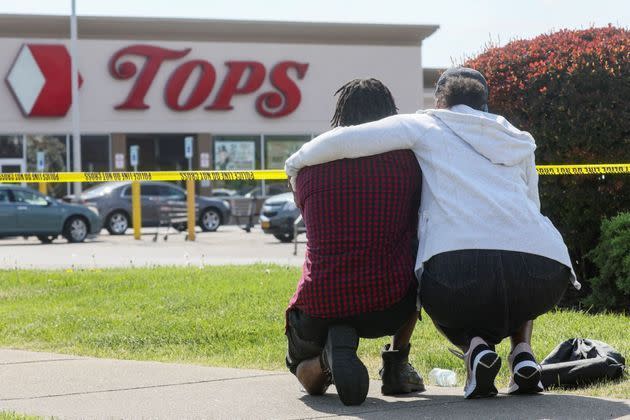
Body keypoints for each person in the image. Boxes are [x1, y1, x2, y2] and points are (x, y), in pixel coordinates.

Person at [285, 68, 580, 399]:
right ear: (484, 103)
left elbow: (350, 140)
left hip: (433, 274)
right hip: (541, 271)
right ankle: (517, 352)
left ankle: (473, 348)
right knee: (504, 251)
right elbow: (531, 207)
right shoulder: (518, 138)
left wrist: (295, 164)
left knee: (435, 281)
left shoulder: (426, 125)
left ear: (441, 102)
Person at [285, 78, 424, 406]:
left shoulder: (307, 171)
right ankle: (397, 364)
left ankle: (324, 361)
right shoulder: (409, 166)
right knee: (421, 251)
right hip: (388, 303)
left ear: (339, 117)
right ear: (390, 115)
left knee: (306, 376)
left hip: (319, 303)